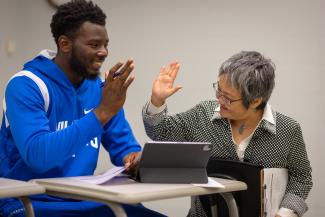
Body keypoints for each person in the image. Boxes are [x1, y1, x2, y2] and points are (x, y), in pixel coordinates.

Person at [0, 0, 165, 216]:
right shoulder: (26, 85)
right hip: (31, 202)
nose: (104, 52)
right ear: (65, 44)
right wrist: (102, 112)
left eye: (106, 44)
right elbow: (37, 156)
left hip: (86, 199)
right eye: (94, 45)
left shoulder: (98, 89)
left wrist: (133, 159)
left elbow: (123, 148)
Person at [142, 51, 313, 217]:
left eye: (228, 98)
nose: (219, 100)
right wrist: (157, 101)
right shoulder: (202, 115)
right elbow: (160, 132)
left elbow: (302, 177)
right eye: (218, 90)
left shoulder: (288, 130)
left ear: (255, 101)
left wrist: (286, 212)